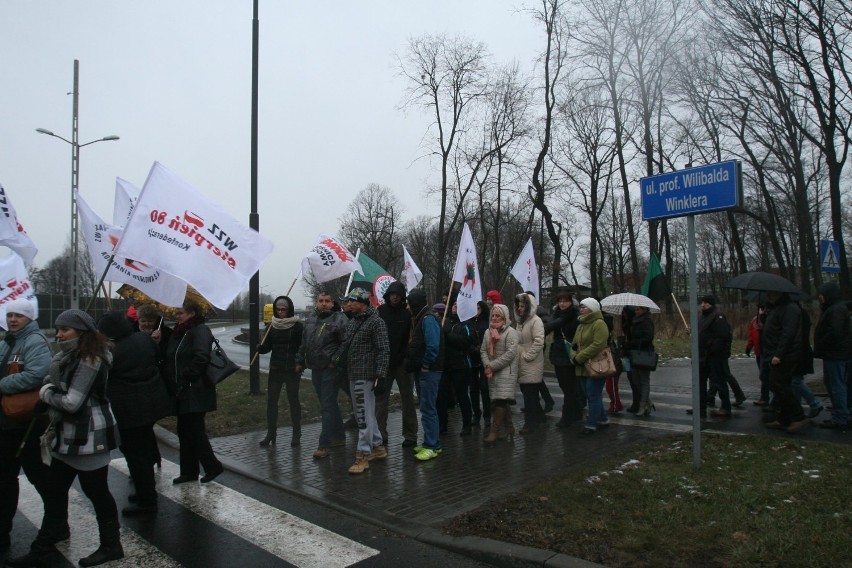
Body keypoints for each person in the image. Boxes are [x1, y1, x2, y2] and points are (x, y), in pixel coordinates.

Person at [10, 310, 123, 567]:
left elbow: (72, 402)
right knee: (54, 491)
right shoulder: (68, 356)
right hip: (69, 435)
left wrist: (45, 392)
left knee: (97, 492)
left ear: (81, 332)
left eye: (65, 330)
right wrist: (51, 386)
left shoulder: (90, 359)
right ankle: (46, 545)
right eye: (58, 328)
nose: (59, 334)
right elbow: (56, 382)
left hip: (89, 435)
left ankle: (111, 545)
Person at [97, 311, 172, 517]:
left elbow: (103, 377)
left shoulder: (113, 351)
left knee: (135, 456)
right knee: (145, 449)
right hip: (151, 402)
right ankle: (144, 492)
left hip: (129, 409)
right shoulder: (143, 339)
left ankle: (147, 499)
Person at [0, 299, 52, 555]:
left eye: (18, 315)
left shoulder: (34, 341)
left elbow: (37, 374)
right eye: (9, 315)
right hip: (7, 422)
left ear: (29, 318)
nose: (12, 319)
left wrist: (2, 384)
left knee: (38, 475)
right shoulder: (8, 340)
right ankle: (2, 532)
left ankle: (57, 522)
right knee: (5, 478)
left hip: (27, 422)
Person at [166, 300, 224, 484]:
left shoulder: (200, 330)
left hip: (196, 388)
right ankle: (189, 471)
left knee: (194, 430)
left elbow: (201, 357)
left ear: (192, 313)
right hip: (183, 389)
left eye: (180, 312)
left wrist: (186, 377)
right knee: (184, 430)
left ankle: (213, 466)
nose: (177, 314)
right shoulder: (181, 331)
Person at [334, 288, 389, 474]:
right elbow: (345, 346)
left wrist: (381, 375)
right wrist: (334, 361)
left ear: (362, 303)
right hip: (352, 372)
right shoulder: (354, 321)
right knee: (366, 413)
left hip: (365, 375)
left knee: (362, 416)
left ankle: (363, 455)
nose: (347, 304)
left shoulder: (376, 322)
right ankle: (378, 447)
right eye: (347, 301)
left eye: (351, 301)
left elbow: (383, 350)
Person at [296, 292, 348, 459]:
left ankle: (324, 444)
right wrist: (299, 361)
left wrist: (335, 360)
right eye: (321, 301)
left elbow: (346, 343)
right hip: (315, 367)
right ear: (316, 303)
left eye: (327, 301)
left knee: (326, 405)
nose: (324, 304)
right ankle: (339, 436)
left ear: (332, 303)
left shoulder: (339, 319)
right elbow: (305, 343)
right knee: (329, 403)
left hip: (330, 368)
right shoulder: (312, 319)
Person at [257, 295, 304, 447]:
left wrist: (299, 363)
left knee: (293, 401)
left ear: (289, 309)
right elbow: (268, 347)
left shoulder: (297, 326)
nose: (281, 311)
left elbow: (301, 347)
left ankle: (296, 433)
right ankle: (271, 433)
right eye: (278, 309)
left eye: (284, 309)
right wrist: (261, 348)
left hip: (291, 369)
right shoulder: (272, 326)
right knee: (271, 402)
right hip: (275, 369)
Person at [762, 291, 810, 433]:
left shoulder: (790, 309)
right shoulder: (778, 308)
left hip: (786, 355)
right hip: (776, 353)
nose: (768, 296)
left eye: (771, 294)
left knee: (778, 384)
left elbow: (788, 334)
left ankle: (799, 416)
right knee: (780, 385)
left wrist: (779, 354)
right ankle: (784, 418)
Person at [376, 281, 416, 447]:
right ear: (388, 295)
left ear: (402, 297)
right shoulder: (380, 312)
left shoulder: (408, 315)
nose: (395, 297)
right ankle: (380, 434)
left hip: (402, 362)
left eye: (398, 295)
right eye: (392, 294)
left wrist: (406, 357)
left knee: (407, 399)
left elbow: (412, 338)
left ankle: (410, 435)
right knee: (381, 401)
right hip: (384, 362)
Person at [406, 289, 443, 461]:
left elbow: (433, 345)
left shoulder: (427, 319)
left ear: (415, 304)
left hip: (429, 371)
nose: (407, 307)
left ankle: (432, 445)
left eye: (409, 303)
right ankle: (431, 441)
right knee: (426, 407)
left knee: (428, 408)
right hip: (425, 370)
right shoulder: (422, 318)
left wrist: (426, 364)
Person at [570, 298, 610, 435]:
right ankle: (603, 418)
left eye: (584, 307)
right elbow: (574, 343)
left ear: (592, 309)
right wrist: (573, 354)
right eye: (580, 307)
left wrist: (580, 357)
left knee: (593, 395)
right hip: (581, 366)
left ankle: (591, 424)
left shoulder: (599, 323)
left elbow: (598, 344)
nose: (581, 309)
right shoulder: (581, 324)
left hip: (596, 365)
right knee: (591, 395)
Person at [814, 282, 851, 430]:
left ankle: (840, 417)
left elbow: (834, 332)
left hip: (835, 354)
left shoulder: (835, 310)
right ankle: (841, 411)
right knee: (837, 384)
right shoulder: (837, 308)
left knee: (836, 385)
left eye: (822, 294)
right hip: (838, 353)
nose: (820, 297)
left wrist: (821, 343)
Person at [480, 303, 519, 444]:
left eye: (498, 315)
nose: (495, 318)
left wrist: (492, 366)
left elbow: (510, 354)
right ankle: (509, 427)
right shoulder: (487, 332)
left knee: (501, 400)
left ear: (505, 317)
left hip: (506, 372)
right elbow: (483, 350)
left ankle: (494, 432)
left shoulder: (510, 332)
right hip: (493, 372)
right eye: (493, 315)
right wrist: (487, 365)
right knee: (500, 399)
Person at [544, 289, 582, 427]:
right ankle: (576, 413)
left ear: (571, 302)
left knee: (568, 387)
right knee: (566, 385)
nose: (562, 304)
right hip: (558, 353)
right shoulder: (556, 315)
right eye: (560, 301)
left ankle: (567, 417)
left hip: (569, 353)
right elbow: (547, 327)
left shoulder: (575, 315)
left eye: (565, 301)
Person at [694, 295, 733, 419]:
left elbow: (722, 336)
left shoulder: (718, 316)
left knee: (719, 381)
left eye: (706, 302)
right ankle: (700, 407)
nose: (703, 305)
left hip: (714, 356)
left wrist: (711, 348)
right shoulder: (703, 317)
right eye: (702, 302)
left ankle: (725, 407)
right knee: (700, 382)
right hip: (702, 355)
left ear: (711, 304)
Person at [442, 301, 477, 436]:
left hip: (461, 366)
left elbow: (466, 342)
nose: (455, 307)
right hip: (446, 365)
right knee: (444, 396)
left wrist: (448, 336)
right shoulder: (446, 322)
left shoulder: (467, 324)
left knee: (462, 396)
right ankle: (443, 424)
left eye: (458, 305)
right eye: (453, 305)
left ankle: (467, 424)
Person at [514, 293, 546, 434]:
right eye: (518, 306)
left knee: (530, 396)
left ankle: (530, 424)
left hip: (531, 362)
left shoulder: (535, 321)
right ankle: (540, 419)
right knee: (528, 393)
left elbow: (539, 341)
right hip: (521, 361)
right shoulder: (521, 322)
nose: (520, 309)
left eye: (522, 306)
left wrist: (527, 356)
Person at [623, 305, 656, 416]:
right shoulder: (634, 321)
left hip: (643, 353)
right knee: (635, 380)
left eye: (639, 309)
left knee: (643, 380)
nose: (636, 311)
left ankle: (643, 405)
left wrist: (633, 342)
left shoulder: (647, 321)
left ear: (645, 310)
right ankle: (648, 401)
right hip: (634, 353)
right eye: (636, 309)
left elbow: (648, 337)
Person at [469, 301, 492, 430]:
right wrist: (471, 348)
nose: (476, 311)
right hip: (472, 358)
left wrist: (482, 349)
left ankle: (487, 415)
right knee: (473, 389)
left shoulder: (486, 323)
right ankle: (476, 413)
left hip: (484, 358)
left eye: (478, 308)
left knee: (485, 388)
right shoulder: (469, 321)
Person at [747, 305, 769, 406]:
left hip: (767, 351)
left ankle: (766, 397)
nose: (762, 311)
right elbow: (752, 334)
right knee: (763, 375)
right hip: (758, 351)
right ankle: (764, 396)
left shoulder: (769, 319)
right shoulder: (755, 320)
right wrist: (749, 346)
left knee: (765, 375)